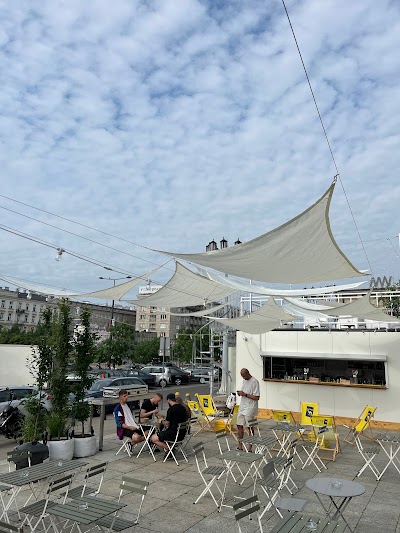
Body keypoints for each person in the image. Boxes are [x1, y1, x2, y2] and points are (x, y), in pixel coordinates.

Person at [151, 393, 187, 458]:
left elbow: (167, 424)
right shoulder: (182, 408)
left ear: (168, 400)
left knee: (153, 438)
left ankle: (170, 449)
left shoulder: (171, 409)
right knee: (162, 434)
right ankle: (170, 450)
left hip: (173, 434)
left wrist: (161, 421)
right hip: (182, 434)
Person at [236, 368, 260, 451]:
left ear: (247, 373)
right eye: (242, 376)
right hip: (243, 406)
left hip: (250, 407)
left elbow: (257, 397)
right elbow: (244, 392)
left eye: (244, 376)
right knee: (239, 425)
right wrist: (240, 393)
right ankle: (240, 445)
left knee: (249, 426)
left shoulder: (254, 382)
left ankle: (250, 447)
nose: (243, 378)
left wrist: (245, 394)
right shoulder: (244, 381)